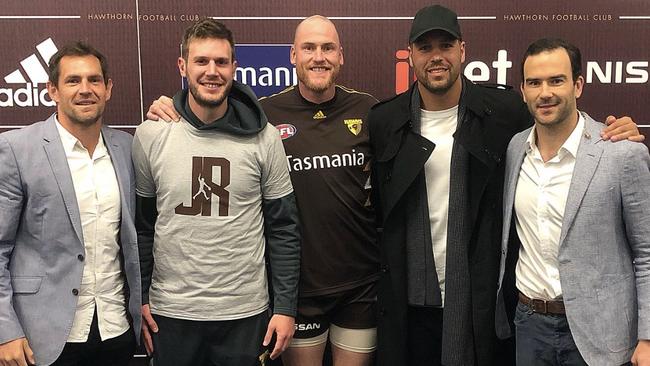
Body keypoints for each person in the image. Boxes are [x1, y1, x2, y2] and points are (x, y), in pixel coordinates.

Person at [367, 5, 643, 366]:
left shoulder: (504, 111)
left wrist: (617, 130)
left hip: (485, 304)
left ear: (462, 51)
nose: (436, 57)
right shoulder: (385, 120)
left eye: (446, 46)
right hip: (411, 300)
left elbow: (561, 121)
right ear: (410, 55)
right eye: (425, 47)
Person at [147, 15, 380, 366]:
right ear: (292, 55)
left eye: (328, 48)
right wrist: (170, 105)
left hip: (359, 284)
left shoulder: (369, 110)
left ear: (341, 55)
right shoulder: (263, 117)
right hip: (300, 289)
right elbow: (142, 223)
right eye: (309, 48)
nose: (319, 56)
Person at [132, 19, 300, 366]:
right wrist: (142, 295)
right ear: (183, 66)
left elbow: (283, 228)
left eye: (221, 62)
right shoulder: (151, 134)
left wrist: (285, 307)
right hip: (171, 314)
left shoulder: (264, 137)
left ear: (234, 68)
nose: (212, 71)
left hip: (245, 314)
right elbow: (143, 227)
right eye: (201, 61)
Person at [495, 38, 650, 366]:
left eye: (556, 80)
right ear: (522, 90)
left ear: (578, 85)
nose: (545, 92)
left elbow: (647, 254)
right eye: (534, 83)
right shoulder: (514, 149)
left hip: (602, 336)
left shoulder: (622, 152)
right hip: (529, 324)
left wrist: (647, 338)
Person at [0, 41, 141, 366]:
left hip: (115, 330)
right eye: (73, 81)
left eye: (94, 80)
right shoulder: (17, 149)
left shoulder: (126, 148)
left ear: (108, 89)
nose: (85, 89)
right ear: (52, 90)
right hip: (42, 338)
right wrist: (6, 329)